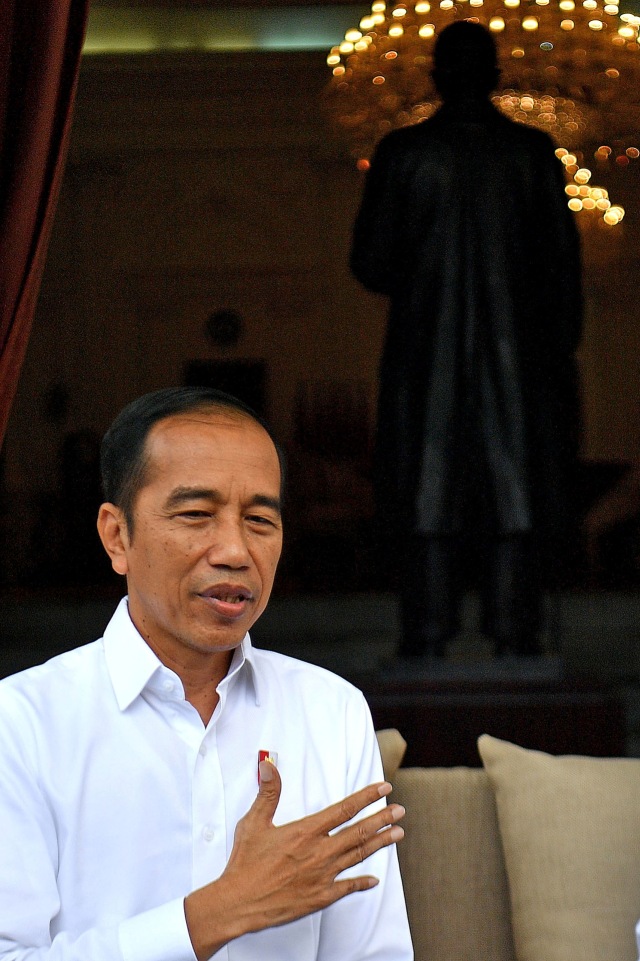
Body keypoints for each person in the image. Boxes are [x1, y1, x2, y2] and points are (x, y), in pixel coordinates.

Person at [0, 386, 413, 960]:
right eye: (196, 515)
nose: (235, 551)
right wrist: (217, 913)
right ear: (117, 536)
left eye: (260, 520)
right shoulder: (20, 724)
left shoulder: (329, 710)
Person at [351, 20, 583, 658]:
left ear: (435, 77)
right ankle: (515, 634)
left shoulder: (402, 154)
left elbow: (370, 262)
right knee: (515, 491)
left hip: (427, 361)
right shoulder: (532, 154)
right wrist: (559, 355)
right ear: (497, 77)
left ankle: (426, 635)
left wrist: (424, 270)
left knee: (430, 490)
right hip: (520, 363)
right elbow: (563, 271)